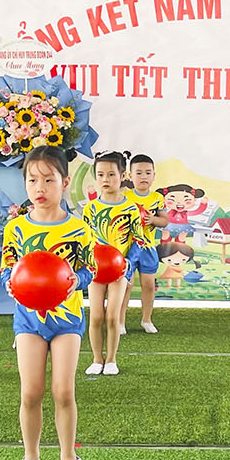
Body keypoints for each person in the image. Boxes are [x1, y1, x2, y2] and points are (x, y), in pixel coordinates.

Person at [0, 146, 95, 460]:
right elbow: (7, 268)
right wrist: (10, 284)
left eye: (48, 180)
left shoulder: (79, 228)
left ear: (65, 182)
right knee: (31, 391)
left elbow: (90, 269)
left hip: (67, 319)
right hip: (28, 320)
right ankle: (31, 456)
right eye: (32, 180)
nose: (39, 188)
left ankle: (69, 455)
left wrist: (75, 281)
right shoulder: (16, 228)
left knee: (63, 391)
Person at [83, 151, 145, 376]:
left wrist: (129, 262)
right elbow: (84, 239)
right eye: (100, 175)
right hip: (95, 270)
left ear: (123, 175)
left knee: (112, 316)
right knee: (96, 316)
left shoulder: (131, 209)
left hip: (119, 271)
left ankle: (111, 359)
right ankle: (96, 359)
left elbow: (139, 240)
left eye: (111, 174)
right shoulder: (90, 208)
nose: (105, 179)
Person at [126, 153, 168, 334]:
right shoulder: (125, 197)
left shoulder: (157, 198)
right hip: (128, 248)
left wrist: (153, 220)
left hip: (148, 248)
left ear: (154, 175)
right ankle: (119, 322)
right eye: (139, 173)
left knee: (149, 284)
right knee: (126, 285)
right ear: (130, 176)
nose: (143, 177)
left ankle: (146, 319)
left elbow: (164, 221)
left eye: (148, 173)